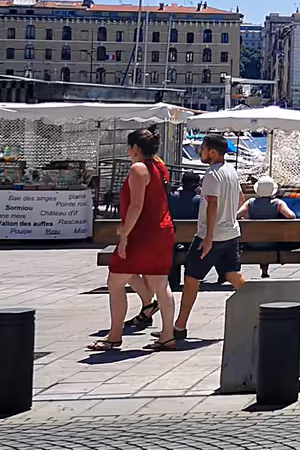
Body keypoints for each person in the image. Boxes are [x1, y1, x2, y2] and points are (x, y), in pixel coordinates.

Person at [92, 127, 177, 352]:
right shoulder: (160, 166)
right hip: (163, 230)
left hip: (142, 234)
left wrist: (124, 236)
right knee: (161, 283)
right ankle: (167, 335)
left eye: (129, 146)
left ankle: (114, 335)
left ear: (136, 148)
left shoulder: (138, 169)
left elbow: (136, 205)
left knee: (115, 282)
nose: (127, 150)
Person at [175, 133, 246, 342]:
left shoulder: (212, 175)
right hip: (231, 233)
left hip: (212, 236)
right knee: (233, 275)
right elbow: (241, 198)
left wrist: (208, 238)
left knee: (191, 277)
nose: (200, 152)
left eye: (203, 148)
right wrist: (230, 217)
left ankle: (179, 326)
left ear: (212, 152)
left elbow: (212, 205)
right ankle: (261, 301)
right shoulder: (231, 171)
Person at [238, 175, 299, 275]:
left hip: (253, 243)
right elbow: (291, 216)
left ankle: (264, 269)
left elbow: (238, 215)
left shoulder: (250, 202)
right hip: (273, 243)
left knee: (260, 236)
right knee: (271, 236)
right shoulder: (278, 203)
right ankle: (265, 270)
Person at [162, 171, 204, 297]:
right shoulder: (199, 200)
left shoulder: (171, 197)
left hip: (173, 236)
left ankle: (173, 280)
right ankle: (190, 277)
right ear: (196, 184)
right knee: (192, 246)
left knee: (173, 248)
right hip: (192, 239)